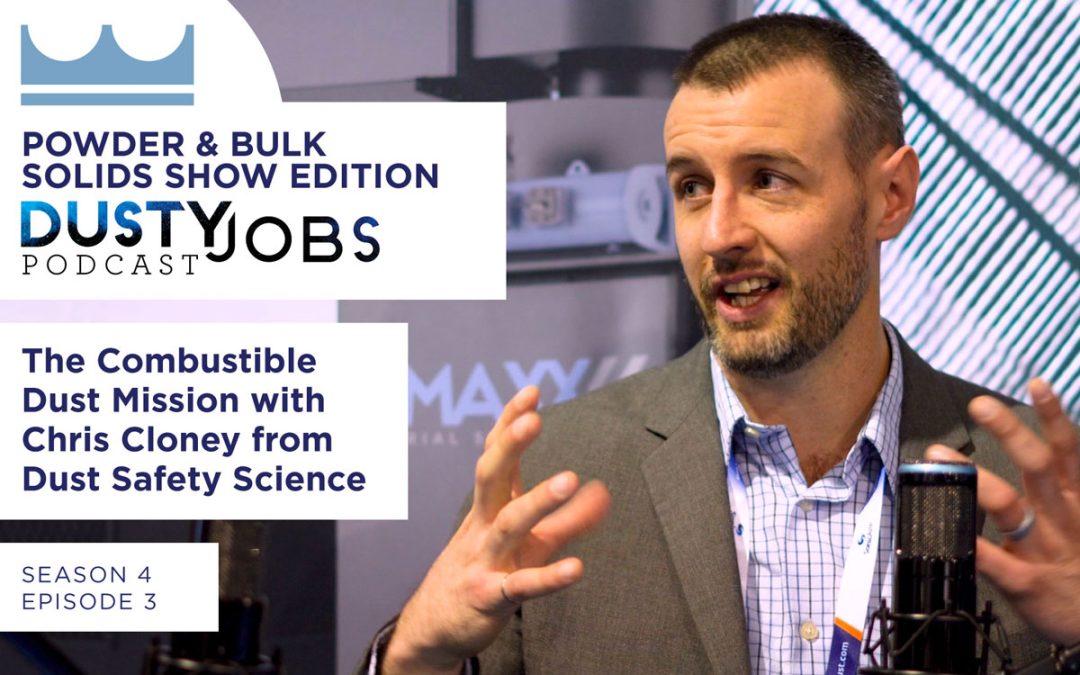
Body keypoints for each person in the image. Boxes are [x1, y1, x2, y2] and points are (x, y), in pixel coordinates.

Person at [363, 14, 1080, 675]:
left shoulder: (1042, 496)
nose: (718, 234)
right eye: (692, 187)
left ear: (890, 196)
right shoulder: (555, 477)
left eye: (768, 180)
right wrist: (414, 653)